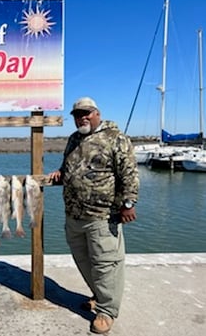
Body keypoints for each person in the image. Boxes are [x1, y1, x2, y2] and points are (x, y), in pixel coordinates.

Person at [49, 97, 139, 334]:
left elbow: (129, 173)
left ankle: (107, 312)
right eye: (77, 114)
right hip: (74, 214)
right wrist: (60, 172)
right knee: (83, 260)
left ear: (97, 113)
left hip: (102, 215)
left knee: (105, 264)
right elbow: (69, 164)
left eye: (86, 113)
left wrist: (128, 203)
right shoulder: (74, 138)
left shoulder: (115, 138)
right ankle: (99, 295)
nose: (81, 117)